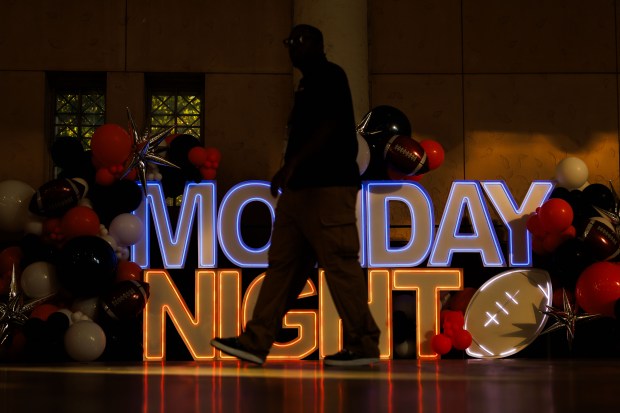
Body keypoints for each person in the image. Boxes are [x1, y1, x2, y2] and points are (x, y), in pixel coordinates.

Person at [210, 24, 380, 367]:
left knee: (340, 265)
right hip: (299, 190)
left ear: (319, 44)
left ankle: (363, 344)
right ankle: (256, 342)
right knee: (283, 268)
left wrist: (292, 166)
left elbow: (331, 126)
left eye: (300, 41)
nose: (293, 48)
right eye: (289, 42)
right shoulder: (305, 84)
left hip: (328, 188)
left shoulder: (331, 75)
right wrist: (290, 171)